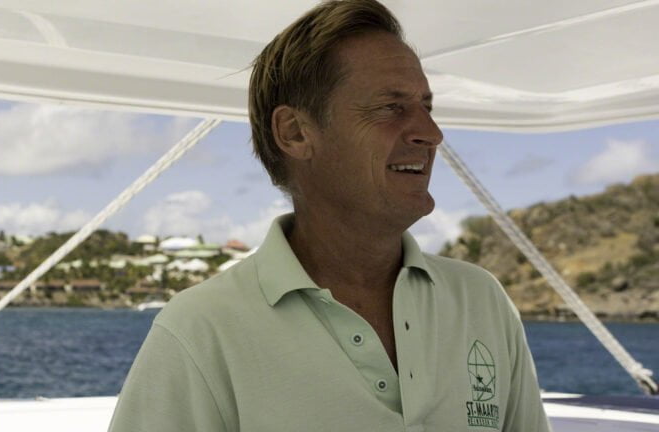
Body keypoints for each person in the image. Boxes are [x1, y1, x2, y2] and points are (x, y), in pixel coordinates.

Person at [108, 0, 551, 430]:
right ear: (296, 133)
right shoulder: (201, 332)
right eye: (390, 107)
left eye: (426, 107)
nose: (431, 133)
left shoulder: (482, 301)